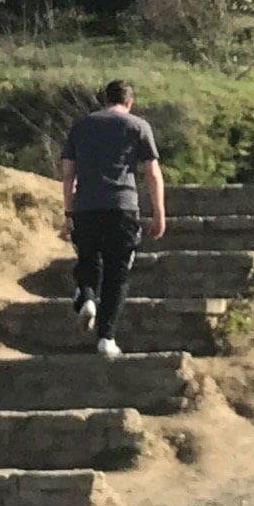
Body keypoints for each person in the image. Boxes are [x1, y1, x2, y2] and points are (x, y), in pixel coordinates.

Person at [60, 80, 166, 361]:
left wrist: (68, 214)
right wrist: (158, 212)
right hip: (122, 207)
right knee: (117, 274)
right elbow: (152, 173)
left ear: (104, 99)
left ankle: (86, 297)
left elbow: (68, 174)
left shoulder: (81, 126)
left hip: (85, 207)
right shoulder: (138, 126)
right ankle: (106, 337)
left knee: (88, 258)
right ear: (129, 102)